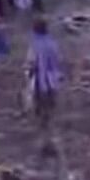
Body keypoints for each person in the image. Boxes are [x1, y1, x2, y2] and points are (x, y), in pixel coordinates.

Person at [27, 19, 61, 156]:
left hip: (39, 85)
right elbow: (58, 63)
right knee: (50, 113)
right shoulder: (53, 44)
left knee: (40, 115)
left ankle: (44, 142)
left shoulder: (34, 45)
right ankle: (50, 140)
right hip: (53, 84)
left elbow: (31, 65)